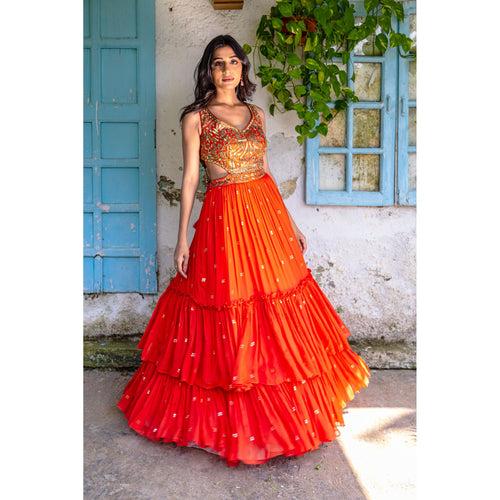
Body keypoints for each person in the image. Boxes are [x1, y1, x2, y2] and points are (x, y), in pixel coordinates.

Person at [117, 34, 371, 467]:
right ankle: (229, 412)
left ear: (242, 69)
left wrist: (291, 225)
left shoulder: (255, 115)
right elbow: (193, 179)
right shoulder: (196, 118)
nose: (227, 70)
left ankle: (283, 410)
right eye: (218, 63)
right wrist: (182, 239)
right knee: (227, 306)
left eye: (234, 61)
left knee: (276, 309)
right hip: (223, 219)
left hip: (265, 219)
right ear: (208, 71)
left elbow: (267, 172)